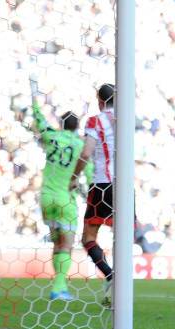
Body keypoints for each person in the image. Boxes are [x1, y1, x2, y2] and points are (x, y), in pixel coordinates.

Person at [30, 99, 84, 300]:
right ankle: (59, 288)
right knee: (66, 245)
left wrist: (35, 103)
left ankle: (58, 287)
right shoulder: (79, 145)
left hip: (46, 198)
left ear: (61, 124)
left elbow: (40, 121)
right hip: (65, 200)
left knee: (57, 244)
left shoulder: (51, 137)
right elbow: (87, 168)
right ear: (77, 127)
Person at [72, 84, 116, 305]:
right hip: (125, 187)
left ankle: (110, 275)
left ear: (100, 101)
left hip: (102, 184)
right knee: (123, 237)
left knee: (88, 238)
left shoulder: (95, 120)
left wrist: (73, 177)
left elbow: (86, 152)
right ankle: (120, 283)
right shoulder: (128, 121)